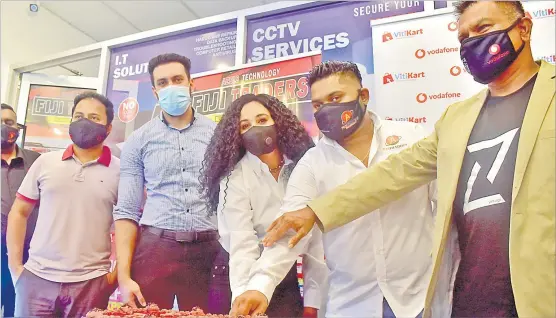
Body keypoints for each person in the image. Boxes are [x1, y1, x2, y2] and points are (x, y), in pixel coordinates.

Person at [260, 1, 555, 318]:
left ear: (523, 28)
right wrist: (317, 211)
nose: (472, 43)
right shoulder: (457, 119)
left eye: (483, 29)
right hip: (469, 298)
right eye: (464, 37)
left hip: (538, 295)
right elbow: (393, 175)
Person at [231, 62, 437, 318]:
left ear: (363, 97)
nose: (326, 109)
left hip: (419, 299)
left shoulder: (411, 138)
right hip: (352, 304)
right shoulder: (313, 163)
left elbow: (444, 209)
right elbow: (289, 229)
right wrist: (259, 287)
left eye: (336, 98)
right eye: (317, 105)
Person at [199, 94, 327, 317]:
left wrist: (313, 300)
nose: (255, 129)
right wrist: (245, 295)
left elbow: (311, 238)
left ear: (278, 122)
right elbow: (241, 244)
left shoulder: (303, 167)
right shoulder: (234, 177)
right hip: (235, 272)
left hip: (283, 272)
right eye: (245, 125)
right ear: (236, 135)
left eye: (262, 120)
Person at [113, 53, 222, 312]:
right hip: (155, 248)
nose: (171, 87)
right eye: (163, 83)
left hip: (209, 249)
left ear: (191, 84)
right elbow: (127, 211)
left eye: (177, 79)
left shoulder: (218, 134)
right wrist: (124, 276)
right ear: (155, 91)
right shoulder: (138, 141)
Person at [7, 92, 119, 317]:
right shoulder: (45, 162)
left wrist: (113, 278)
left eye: (94, 118)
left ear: (108, 128)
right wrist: (16, 268)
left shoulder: (121, 171)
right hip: (35, 279)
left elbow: (128, 226)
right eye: (78, 116)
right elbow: (19, 212)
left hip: (91, 283)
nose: (85, 122)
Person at [1, 103, 40, 317]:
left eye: (9, 122)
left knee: (18, 308)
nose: (5, 127)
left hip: (28, 252)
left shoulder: (36, 161)